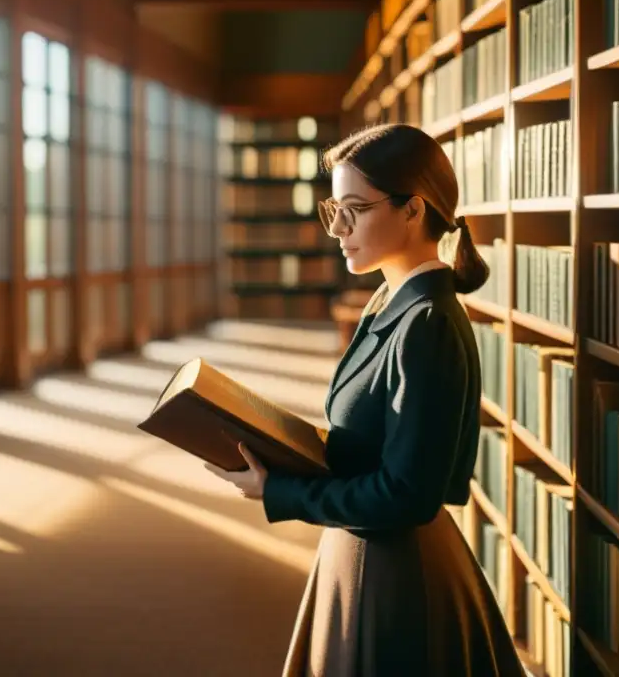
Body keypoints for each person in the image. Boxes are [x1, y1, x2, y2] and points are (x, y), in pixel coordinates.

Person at [204, 123, 528, 676]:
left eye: (356, 209)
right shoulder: (389, 298)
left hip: (393, 573)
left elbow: (406, 495)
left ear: (413, 210)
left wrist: (282, 491)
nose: (339, 230)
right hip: (368, 556)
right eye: (335, 210)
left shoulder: (425, 322)